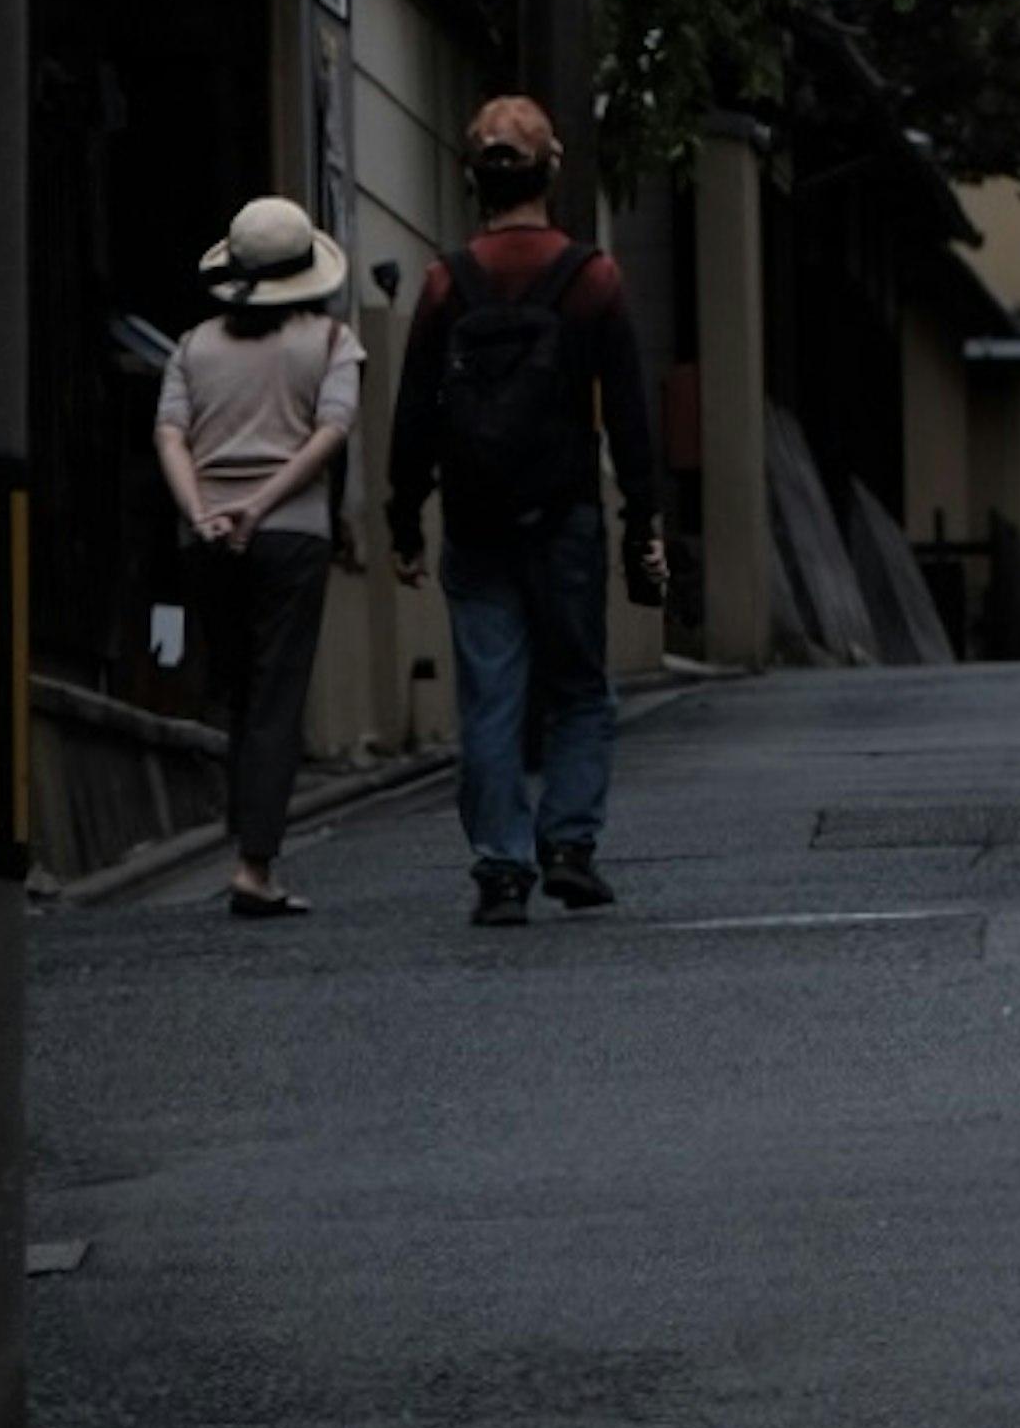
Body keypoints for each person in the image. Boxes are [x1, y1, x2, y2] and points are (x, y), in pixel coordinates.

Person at [386, 96, 665, 921]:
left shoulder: (447, 281)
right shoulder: (593, 278)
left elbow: (414, 414)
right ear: (553, 168)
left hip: (473, 521)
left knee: (491, 695)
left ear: (473, 178)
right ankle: (570, 845)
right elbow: (627, 410)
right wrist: (645, 524)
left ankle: (501, 866)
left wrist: (406, 520)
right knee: (578, 686)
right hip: (566, 514)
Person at [153, 192, 363, 920]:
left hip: (207, 540)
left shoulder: (191, 346)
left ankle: (242, 835)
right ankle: (254, 864)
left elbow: (171, 436)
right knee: (276, 697)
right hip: (292, 534)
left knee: (238, 692)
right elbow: (331, 434)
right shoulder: (331, 343)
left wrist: (202, 511)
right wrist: (265, 503)